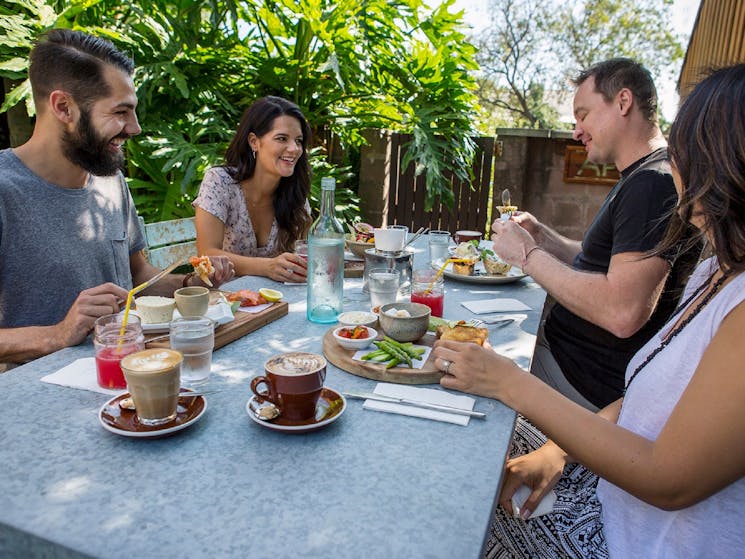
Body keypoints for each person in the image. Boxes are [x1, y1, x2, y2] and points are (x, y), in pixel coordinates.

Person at [433, 63, 745, 558]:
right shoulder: (717, 275)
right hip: (607, 492)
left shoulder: (652, 185)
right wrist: (558, 450)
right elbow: (645, 381)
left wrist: (507, 378)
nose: (677, 161)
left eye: (689, 147)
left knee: (452, 488)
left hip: (623, 533)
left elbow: (623, 313)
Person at [0, 29, 234, 367]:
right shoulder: (6, 189)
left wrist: (188, 283)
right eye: (120, 112)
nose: (135, 127)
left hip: (131, 378)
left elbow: (137, 275)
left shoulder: (111, 183)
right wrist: (58, 333)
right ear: (64, 107)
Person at [491, 58, 699, 410]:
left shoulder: (653, 185)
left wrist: (527, 256)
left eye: (583, 115)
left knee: (457, 361)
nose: (576, 131)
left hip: (579, 380)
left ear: (622, 102)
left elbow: (622, 312)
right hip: (563, 356)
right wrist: (542, 236)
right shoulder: (641, 177)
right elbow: (598, 267)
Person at [193, 96, 312, 282]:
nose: (294, 149)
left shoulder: (294, 192)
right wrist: (267, 267)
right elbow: (207, 253)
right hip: (224, 300)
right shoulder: (220, 182)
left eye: (298, 141)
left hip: (277, 299)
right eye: (282, 138)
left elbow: (304, 251)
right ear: (254, 142)